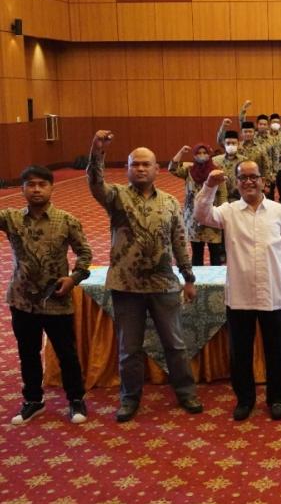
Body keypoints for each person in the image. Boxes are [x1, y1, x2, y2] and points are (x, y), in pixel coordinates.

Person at [87, 130, 203, 422]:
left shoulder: (169, 202)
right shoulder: (116, 197)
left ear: (155, 169)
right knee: (129, 349)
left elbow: (179, 240)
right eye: (134, 164)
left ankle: (186, 392)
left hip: (164, 283)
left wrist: (188, 278)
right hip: (126, 285)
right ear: (127, 169)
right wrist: (97, 151)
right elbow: (95, 183)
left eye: (145, 164)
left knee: (175, 344)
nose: (140, 168)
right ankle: (129, 399)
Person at [194, 161, 281, 421]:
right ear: (236, 182)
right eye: (243, 178)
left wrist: (280, 274)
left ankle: (277, 398)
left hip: (274, 296)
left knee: (277, 351)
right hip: (240, 297)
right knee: (240, 353)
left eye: (254, 177)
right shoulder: (228, 211)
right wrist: (209, 186)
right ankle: (245, 399)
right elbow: (201, 215)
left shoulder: (279, 211)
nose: (249, 182)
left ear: (263, 180)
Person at [1, 166, 92, 425]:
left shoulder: (66, 220)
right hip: (22, 299)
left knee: (67, 353)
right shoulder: (10, 218)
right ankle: (33, 400)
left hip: (56, 299)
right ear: (22, 189)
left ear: (52, 188)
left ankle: (75, 399)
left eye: (42, 184)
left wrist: (73, 278)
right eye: (31, 185)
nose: (37, 189)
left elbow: (85, 254)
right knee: (27, 352)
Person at [169, 143, 227, 266]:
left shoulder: (216, 171)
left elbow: (222, 194)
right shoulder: (189, 171)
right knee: (197, 252)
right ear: (194, 156)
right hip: (193, 217)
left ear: (209, 154)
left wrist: (222, 212)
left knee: (215, 252)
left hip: (212, 214)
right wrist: (181, 152)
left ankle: (216, 282)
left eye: (204, 153)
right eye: (198, 153)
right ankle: (199, 281)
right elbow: (172, 169)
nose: (202, 155)